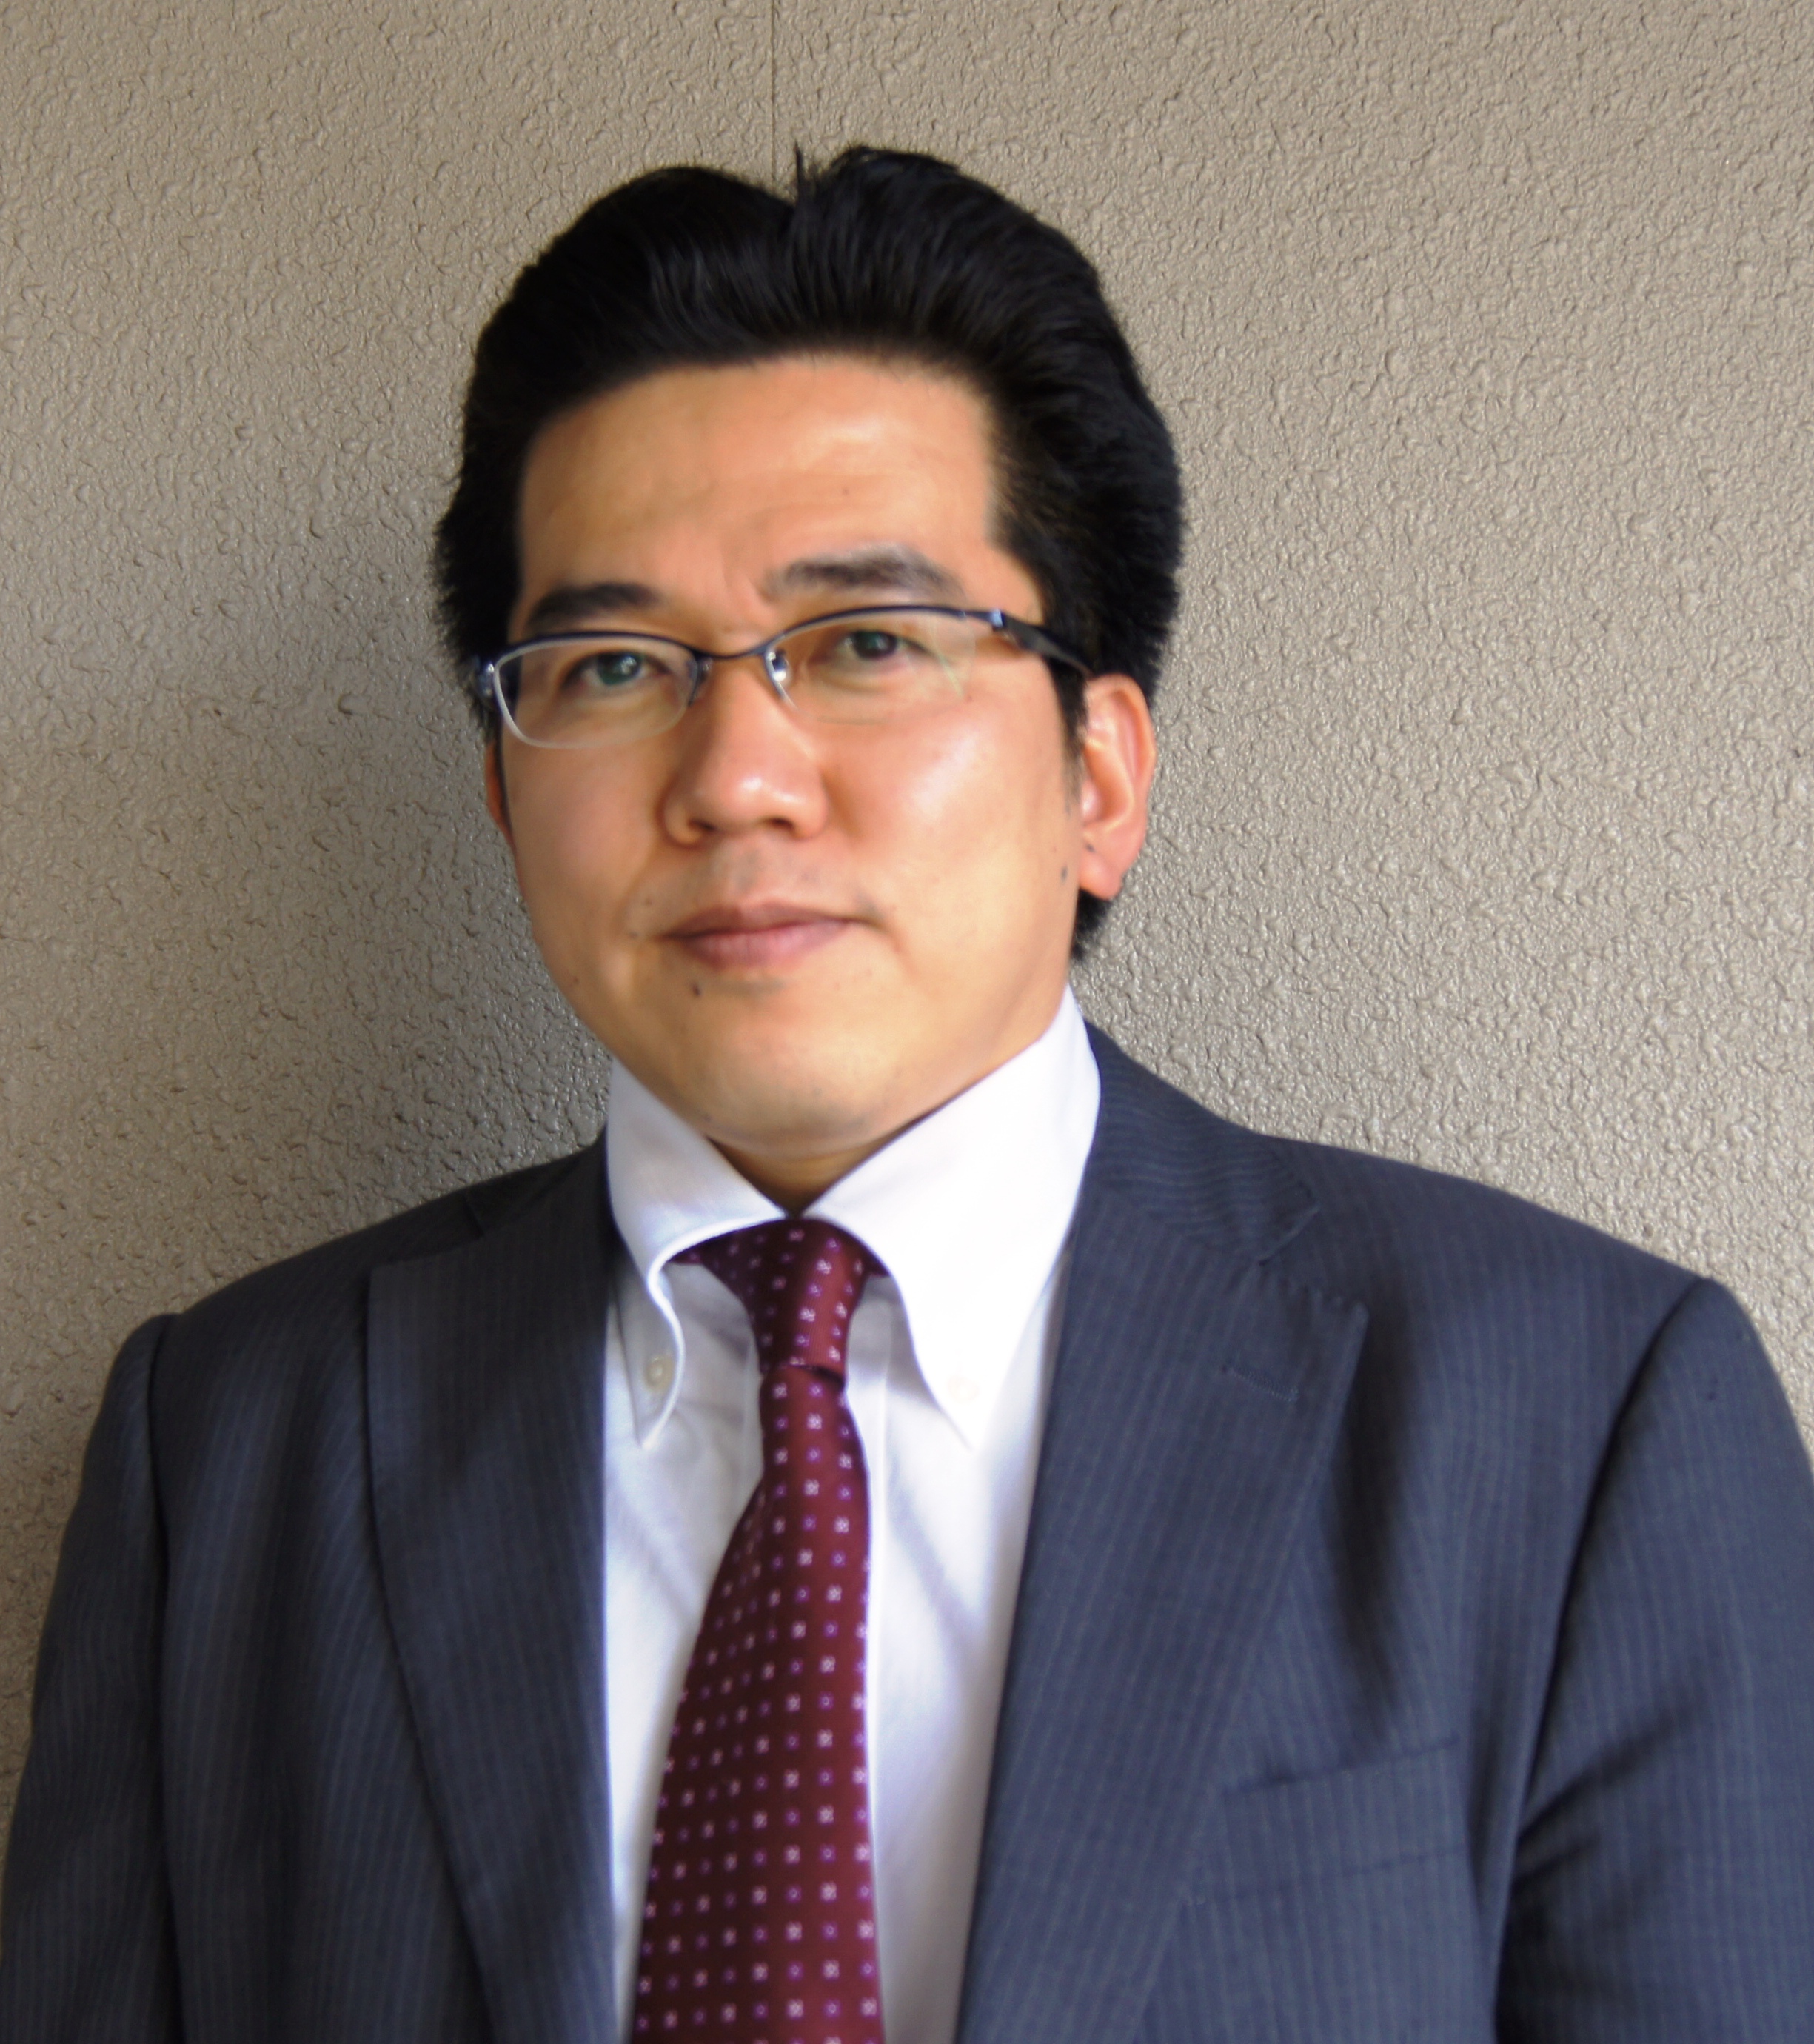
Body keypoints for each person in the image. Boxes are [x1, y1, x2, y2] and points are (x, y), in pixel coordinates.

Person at [3, 147, 1811, 2044]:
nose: (734, 776)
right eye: (610, 665)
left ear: (1098, 776)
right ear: (504, 793)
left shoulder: (1574, 1417)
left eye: (866, 643)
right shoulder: (229, 1447)